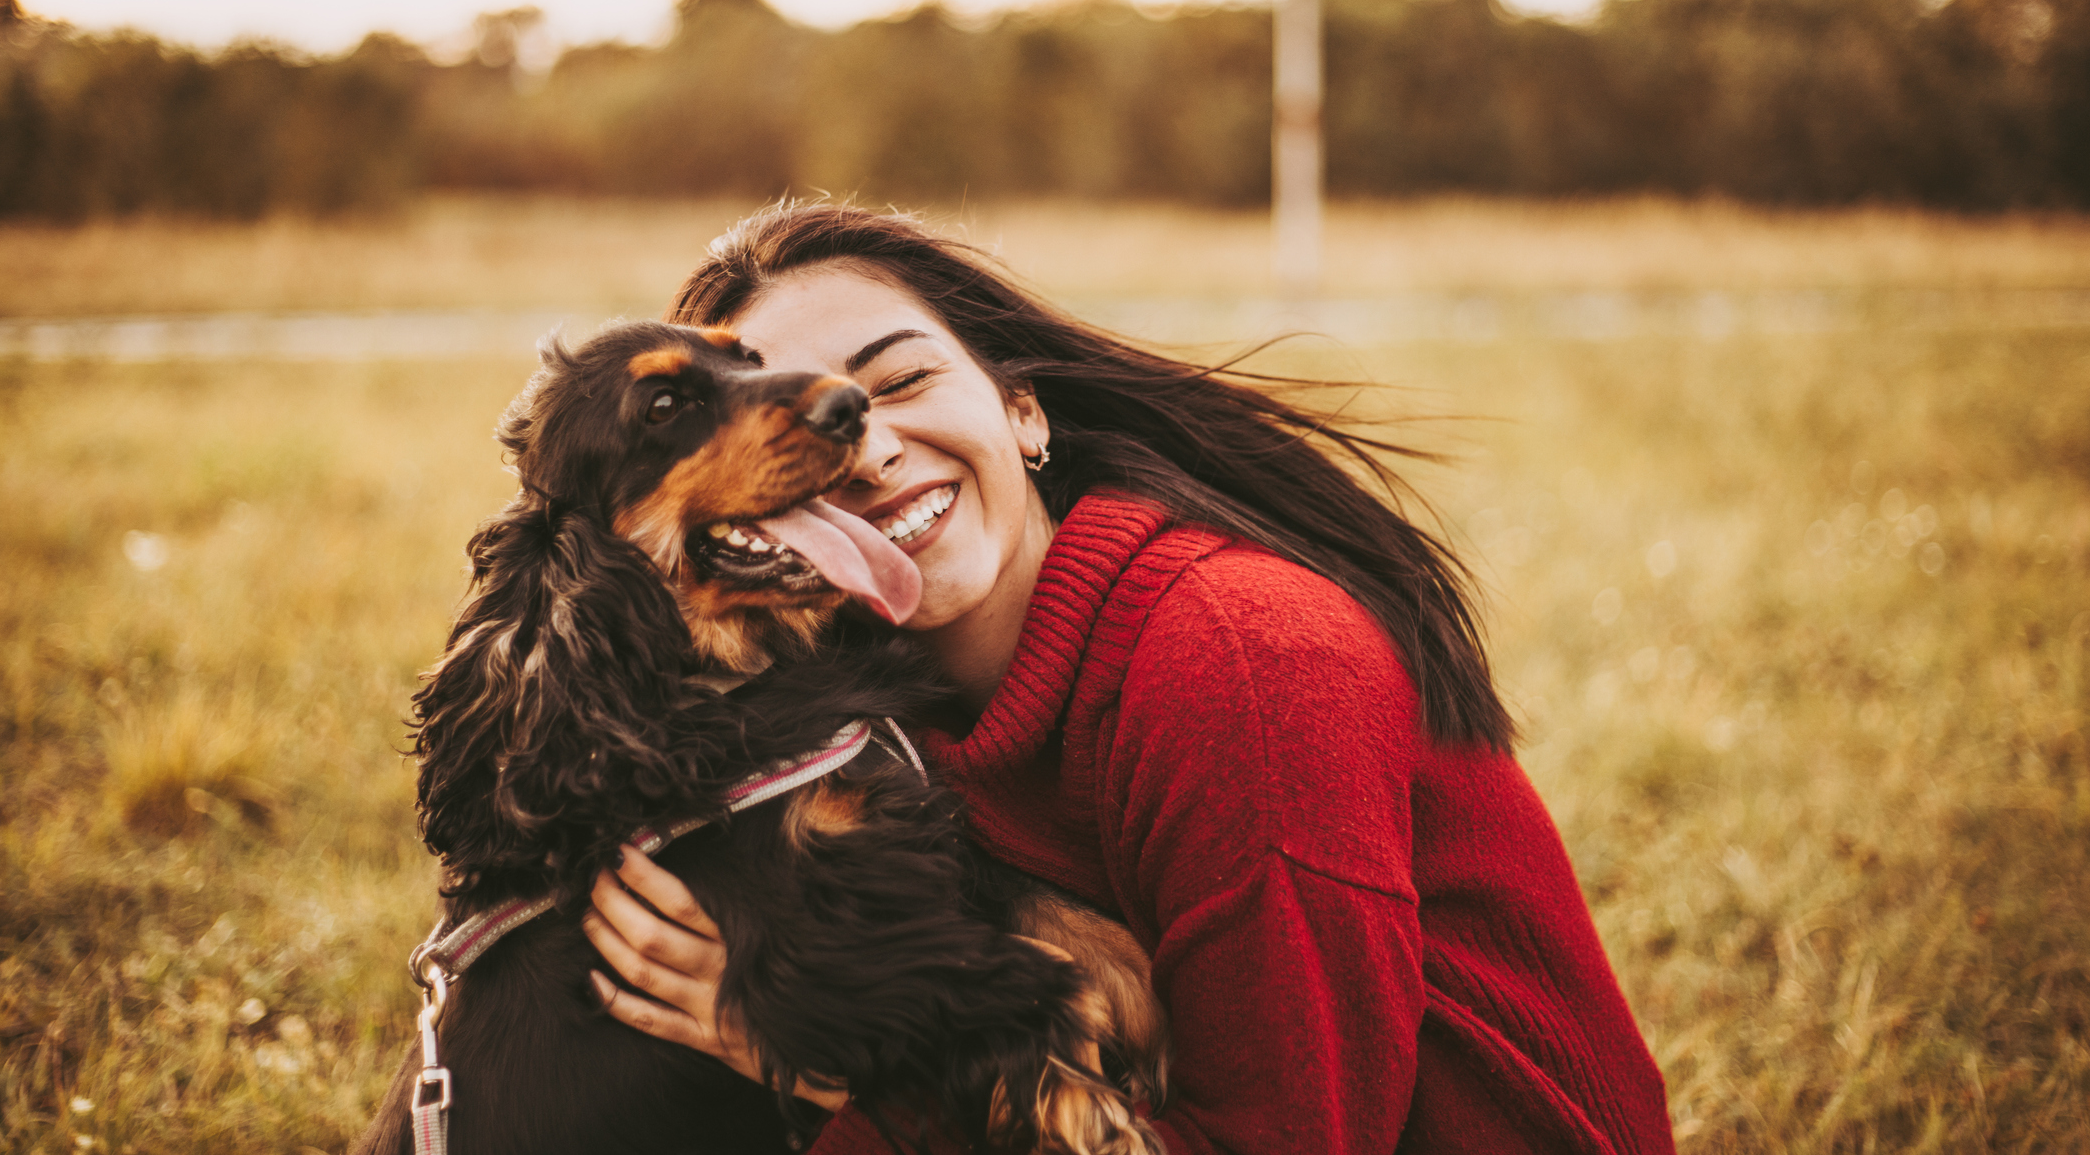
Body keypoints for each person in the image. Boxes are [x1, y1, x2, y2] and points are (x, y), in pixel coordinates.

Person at [581, 203, 1676, 1154]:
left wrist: (812, 1048)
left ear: (1022, 407)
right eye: (804, 436)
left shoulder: (1240, 662)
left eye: (900, 379)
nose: (863, 452)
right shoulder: (844, 723)